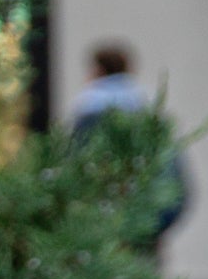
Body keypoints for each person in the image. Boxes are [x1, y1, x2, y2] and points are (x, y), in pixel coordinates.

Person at [69, 40, 187, 245]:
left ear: (98, 70)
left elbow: (77, 170)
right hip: (154, 216)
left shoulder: (90, 113)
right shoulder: (147, 110)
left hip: (109, 224)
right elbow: (172, 176)